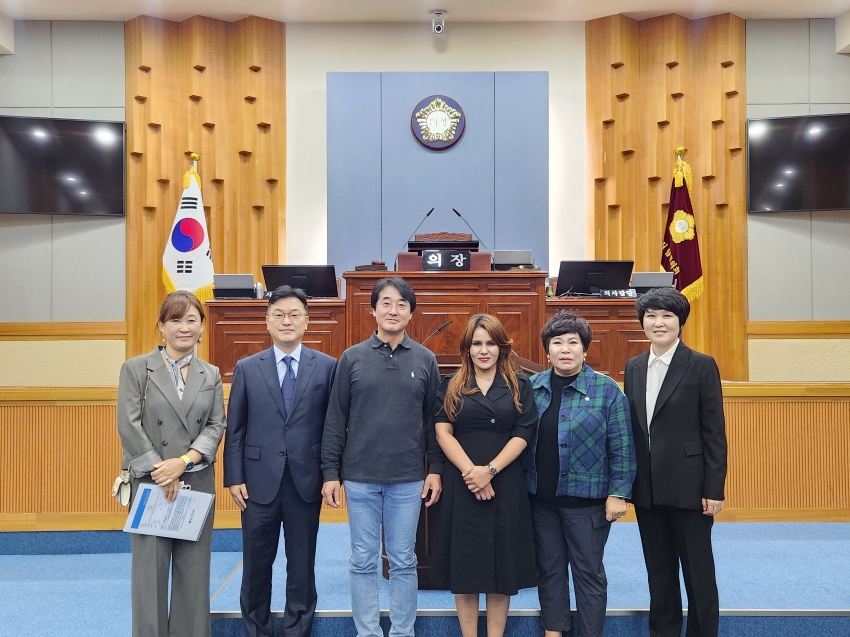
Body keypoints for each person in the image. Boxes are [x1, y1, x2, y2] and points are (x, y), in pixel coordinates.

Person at [321, 276, 443, 637]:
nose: (393, 310)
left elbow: (433, 422)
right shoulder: (351, 359)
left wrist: (435, 468)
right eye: (386, 303)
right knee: (362, 560)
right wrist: (331, 472)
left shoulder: (425, 359)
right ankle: (368, 632)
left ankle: (404, 631)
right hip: (359, 478)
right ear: (373, 310)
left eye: (401, 304)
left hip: (407, 479)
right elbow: (335, 419)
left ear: (410, 314)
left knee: (404, 561)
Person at [223, 285, 337, 637]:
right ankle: (257, 630)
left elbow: (332, 426)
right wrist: (233, 476)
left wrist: (331, 474)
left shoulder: (328, 367)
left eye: (294, 315)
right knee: (257, 565)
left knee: (301, 564)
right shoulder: (247, 367)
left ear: (307, 322)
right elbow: (236, 427)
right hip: (257, 482)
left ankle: (296, 630)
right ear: (267, 322)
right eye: (279, 315)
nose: (286, 321)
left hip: (306, 480)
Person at [117, 290, 226, 637]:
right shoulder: (136, 369)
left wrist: (182, 463)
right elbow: (128, 424)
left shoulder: (210, 373)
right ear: (161, 327)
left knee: (193, 576)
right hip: (150, 483)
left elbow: (215, 425)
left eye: (191, 320)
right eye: (175, 320)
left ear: (202, 328)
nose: (184, 327)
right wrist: (161, 471)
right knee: (149, 575)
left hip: (195, 479)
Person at [623, 288, 727, 637]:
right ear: (642, 322)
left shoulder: (700, 365)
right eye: (651, 315)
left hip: (690, 488)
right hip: (648, 489)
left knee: (698, 572)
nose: (658, 322)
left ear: (680, 321)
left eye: (667, 316)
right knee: (659, 571)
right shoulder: (634, 366)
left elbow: (714, 432)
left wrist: (714, 488)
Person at [526, 311, 635, 637]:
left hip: (587, 504)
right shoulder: (534, 387)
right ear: (547, 350)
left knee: (588, 573)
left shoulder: (606, 390)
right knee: (550, 570)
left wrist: (619, 492)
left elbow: (622, 446)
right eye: (557, 342)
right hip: (540, 501)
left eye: (573, 342)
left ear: (585, 349)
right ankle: (554, 631)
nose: (565, 349)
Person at [431, 314, 538, 637]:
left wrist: (489, 471)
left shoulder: (520, 385)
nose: (484, 350)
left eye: (490, 343)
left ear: (502, 347)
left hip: (505, 483)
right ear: (466, 348)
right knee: (466, 569)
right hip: (462, 486)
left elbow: (523, 432)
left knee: (501, 568)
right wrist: (472, 474)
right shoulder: (450, 384)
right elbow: (442, 432)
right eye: (477, 343)